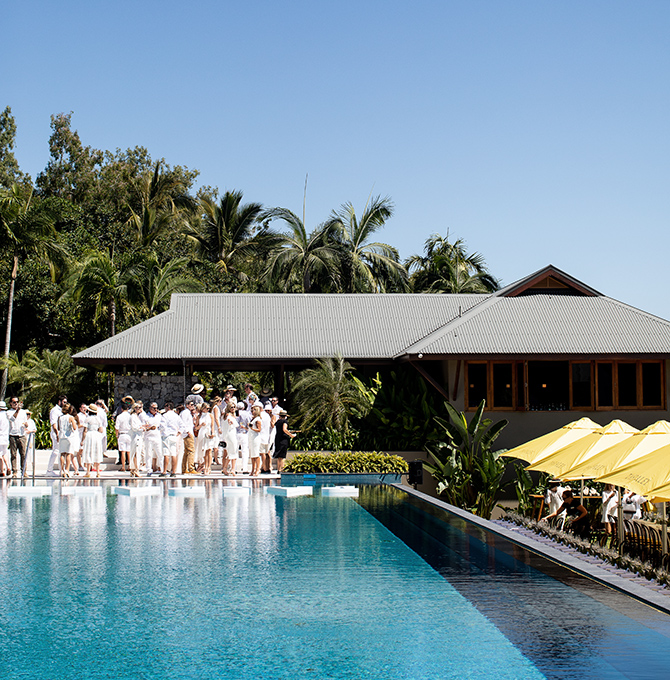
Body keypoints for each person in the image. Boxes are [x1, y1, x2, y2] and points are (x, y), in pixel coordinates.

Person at [80, 404, 104, 478]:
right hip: (96, 435)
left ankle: (88, 472)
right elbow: (101, 430)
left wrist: (82, 440)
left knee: (88, 452)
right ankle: (97, 472)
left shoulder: (88, 419)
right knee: (97, 452)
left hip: (89, 435)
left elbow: (85, 430)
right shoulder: (98, 419)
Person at [160, 401, 183, 477]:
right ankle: (173, 471)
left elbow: (162, 426)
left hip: (167, 436)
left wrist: (161, 431)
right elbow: (182, 425)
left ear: (168, 407)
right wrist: (179, 432)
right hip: (174, 436)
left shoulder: (165, 416)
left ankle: (164, 471)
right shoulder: (176, 416)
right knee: (173, 454)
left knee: (166, 454)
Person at [7, 396, 28, 477]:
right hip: (13, 434)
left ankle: (24, 471)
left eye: (17, 402)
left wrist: (26, 424)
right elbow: (12, 419)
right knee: (13, 454)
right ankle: (15, 471)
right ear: (10, 403)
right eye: (14, 402)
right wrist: (18, 410)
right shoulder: (9, 412)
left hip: (21, 434)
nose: (16, 403)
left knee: (23, 454)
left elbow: (25, 422)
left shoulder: (23, 412)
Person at [58, 403, 80, 478]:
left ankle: (61, 469)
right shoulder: (71, 417)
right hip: (69, 437)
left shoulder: (59, 418)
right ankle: (67, 470)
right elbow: (74, 427)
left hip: (61, 436)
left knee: (62, 454)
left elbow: (58, 427)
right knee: (68, 454)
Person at [47, 395, 67, 476]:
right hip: (57, 433)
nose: (65, 404)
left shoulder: (63, 410)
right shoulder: (55, 410)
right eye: (64, 402)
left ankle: (61, 470)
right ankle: (49, 470)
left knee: (61, 452)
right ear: (59, 402)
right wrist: (57, 434)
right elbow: (54, 423)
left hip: (62, 433)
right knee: (56, 451)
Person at [143, 402, 163, 476]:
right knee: (148, 453)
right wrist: (150, 428)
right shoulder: (146, 416)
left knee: (160, 453)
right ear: (150, 408)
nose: (155, 409)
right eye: (154, 408)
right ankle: (149, 469)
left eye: (156, 408)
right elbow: (143, 426)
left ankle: (162, 468)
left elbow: (162, 425)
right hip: (149, 436)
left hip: (157, 436)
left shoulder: (159, 416)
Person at [220, 402, 238, 475]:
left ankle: (225, 468)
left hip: (227, 436)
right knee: (234, 451)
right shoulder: (229, 416)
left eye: (234, 407)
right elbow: (236, 425)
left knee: (230, 452)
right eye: (231, 407)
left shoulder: (224, 416)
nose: (233, 408)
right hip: (231, 435)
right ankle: (233, 469)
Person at [129, 401, 145, 477]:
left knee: (137, 453)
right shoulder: (133, 416)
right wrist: (142, 429)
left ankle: (135, 469)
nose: (140, 409)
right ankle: (136, 469)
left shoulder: (137, 416)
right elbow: (134, 427)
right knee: (136, 453)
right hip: (136, 437)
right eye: (139, 408)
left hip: (138, 436)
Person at [115, 402, 132, 473]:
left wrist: (116, 435)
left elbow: (116, 427)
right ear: (127, 409)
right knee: (129, 451)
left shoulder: (119, 416)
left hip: (122, 434)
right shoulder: (130, 416)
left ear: (121, 409)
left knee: (122, 451)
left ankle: (123, 466)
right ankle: (130, 466)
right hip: (129, 434)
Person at [181, 401, 196, 474]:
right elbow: (183, 423)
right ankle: (191, 467)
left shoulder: (188, 413)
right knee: (191, 450)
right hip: (188, 433)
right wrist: (187, 431)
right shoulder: (185, 413)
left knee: (187, 452)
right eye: (191, 405)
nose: (193, 406)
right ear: (187, 405)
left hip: (188, 432)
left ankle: (184, 468)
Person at [247, 403, 263, 476]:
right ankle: (253, 469)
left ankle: (257, 469)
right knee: (252, 454)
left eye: (253, 410)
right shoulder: (253, 418)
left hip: (255, 438)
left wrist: (252, 428)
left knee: (256, 454)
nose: (252, 411)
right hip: (251, 437)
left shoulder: (258, 420)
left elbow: (259, 429)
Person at [259, 401, 272, 474]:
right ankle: (268, 467)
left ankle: (264, 467)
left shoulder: (260, 415)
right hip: (267, 436)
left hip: (261, 437)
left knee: (262, 453)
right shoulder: (267, 416)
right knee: (267, 453)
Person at [0, 401, 9, 477]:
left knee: (0, 455)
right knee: (5, 453)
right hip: (6, 437)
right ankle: (8, 467)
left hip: (0, 437)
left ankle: (2, 470)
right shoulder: (6, 416)